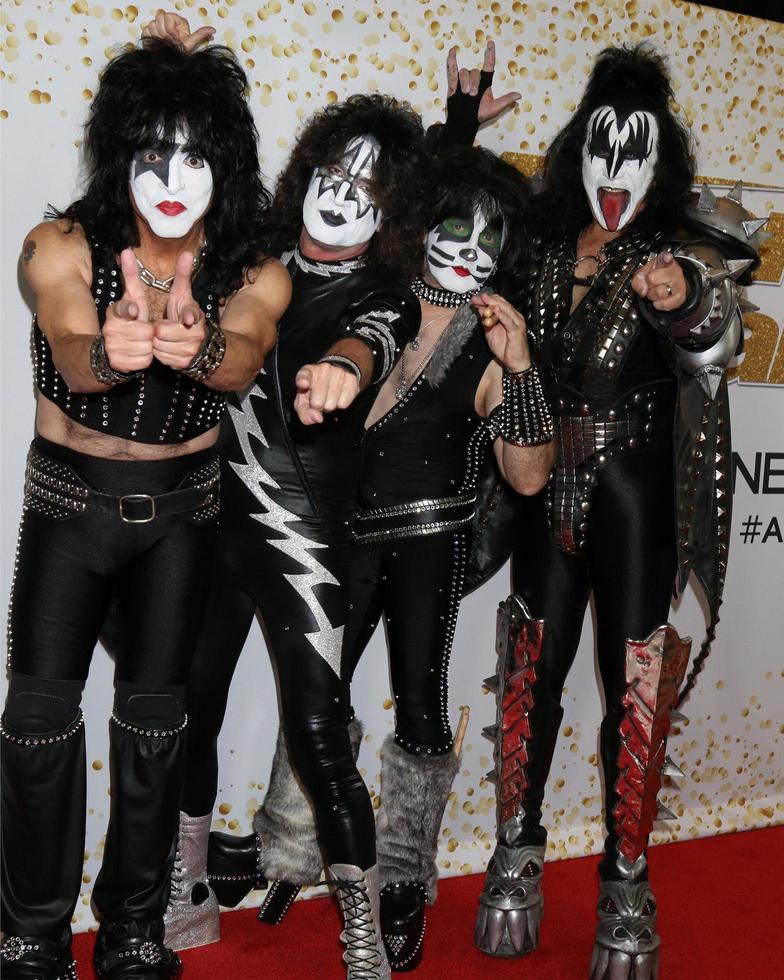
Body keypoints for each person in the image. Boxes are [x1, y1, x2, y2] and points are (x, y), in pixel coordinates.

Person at [441, 44, 768, 979]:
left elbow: (714, 325)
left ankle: (627, 879)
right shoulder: (539, 240)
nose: (616, 169)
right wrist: (461, 128)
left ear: (659, 157)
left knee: (635, 682)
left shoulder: (676, 246)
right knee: (528, 673)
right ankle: (517, 848)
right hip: (541, 477)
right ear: (578, 147)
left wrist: (684, 296)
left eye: (637, 149)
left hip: (636, 488)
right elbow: (444, 224)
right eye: (602, 144)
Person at [0, 38, 289, 980]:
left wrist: (197, 352)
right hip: (67, 507)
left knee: (158, 728)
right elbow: (68, 337)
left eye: (194, 156)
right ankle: (31, 935)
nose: (171, 178)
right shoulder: (62, 246)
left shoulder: (253, 271)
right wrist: (107, 351)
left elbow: (243, 355)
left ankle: (133, 929)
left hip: (180, 519)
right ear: (119, 151)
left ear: (226, 163)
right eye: (152, 154)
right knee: (39, 722)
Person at [147, 16, 428, 973]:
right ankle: (186, 877)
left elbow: (377, 337)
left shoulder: (383, 294)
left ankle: (357, 920)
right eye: (328, 177)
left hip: (309, 541)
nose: (337, 200)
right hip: (211, 528)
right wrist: (176, 73)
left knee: (319, 732)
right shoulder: (253, 251)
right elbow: (180, 178)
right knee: (188, 702)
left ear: (389, 212)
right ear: (303, 172)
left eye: (365, 190)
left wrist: (346, 369)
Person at [339, 145, 554, 970]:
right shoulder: (375, 302)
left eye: (487, 240)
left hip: (430, 544)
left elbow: (530, 477)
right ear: (421, 225)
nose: (467, 249)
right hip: (338, 538)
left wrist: (523, 366)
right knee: (315, 695)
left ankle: (401, 879)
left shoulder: (495, 342)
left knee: (421, 709)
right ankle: (298, 850)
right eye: (453, 227)